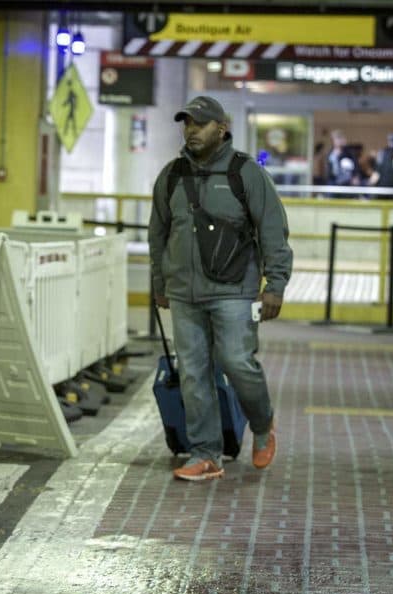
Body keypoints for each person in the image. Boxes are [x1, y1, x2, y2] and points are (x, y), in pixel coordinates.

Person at [148, 96, 293, 481]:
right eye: (187, 124)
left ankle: (262, 426)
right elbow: (158, 233)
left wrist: (274, 284)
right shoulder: (172, 175)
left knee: (237, 362)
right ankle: (206, 453)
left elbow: (274, 231)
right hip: (184, 293)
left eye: (200, 123)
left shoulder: (246, 174)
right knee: (194, 373)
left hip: (234, 290)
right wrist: (159, 282)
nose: (192, 130)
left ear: (222, 128)